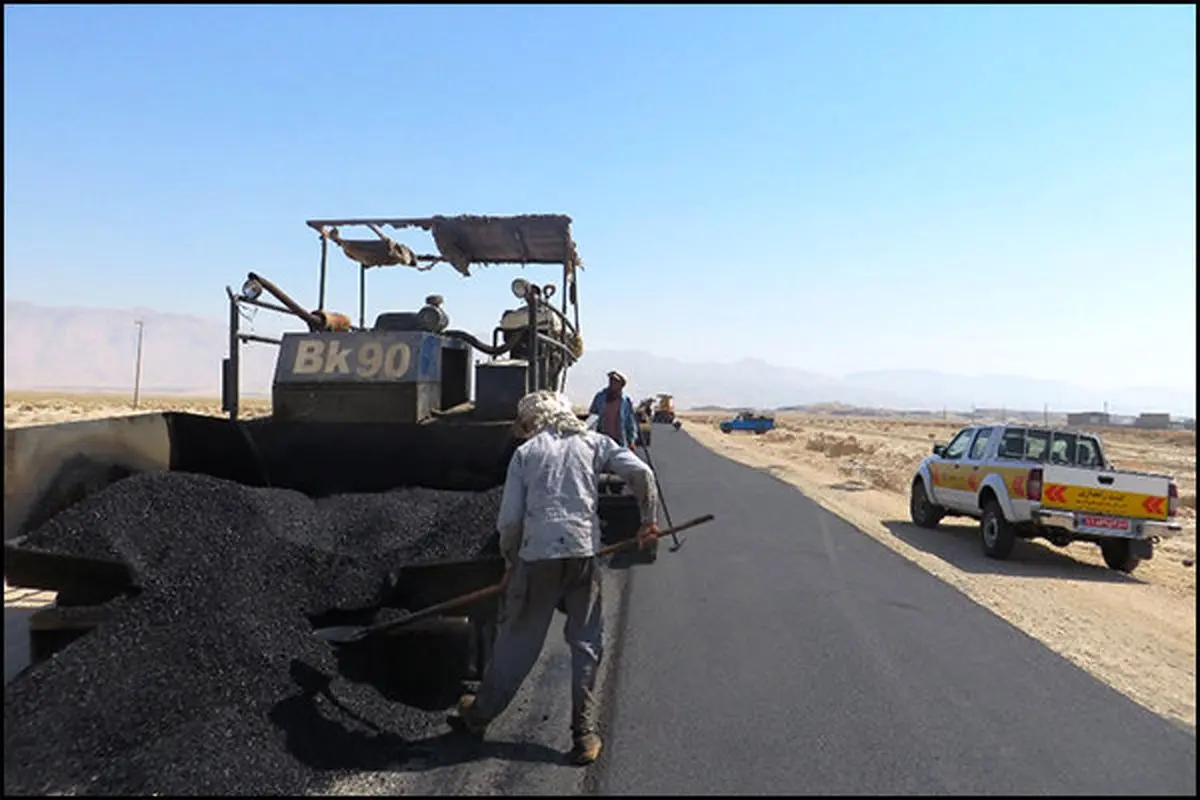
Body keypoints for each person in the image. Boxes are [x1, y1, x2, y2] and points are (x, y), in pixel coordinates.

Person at [448, 390, 660, 766]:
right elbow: (641, 472)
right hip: (583, 553)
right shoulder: (594, 443)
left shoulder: (526, 455)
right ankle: (584, 735)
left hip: (538, 558)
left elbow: (510, 521)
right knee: (587, 641)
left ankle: (479, 716)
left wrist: (511, 561)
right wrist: (648, 522)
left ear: (533, 422)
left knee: (518, 641)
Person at [588, 370, 639, 449]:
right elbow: (592, 416)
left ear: (621, 385)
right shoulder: (600, 397)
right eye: (611, 380)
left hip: (618, 441)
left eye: (615, 381)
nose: (612, 383)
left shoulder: (625, 401)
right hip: (601, 438)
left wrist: (631, 441)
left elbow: (630, 422)